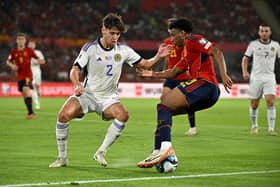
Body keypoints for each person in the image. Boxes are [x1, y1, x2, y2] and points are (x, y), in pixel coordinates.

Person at [49, 13, 172, 168]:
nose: (115, 37)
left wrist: (158, 56)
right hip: (87, 94)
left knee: (123, 115)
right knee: (63, 115)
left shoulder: (124, 51)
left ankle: (101, 151)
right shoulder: (90, 48)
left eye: (118, 34)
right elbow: (74, 69)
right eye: (112, 33)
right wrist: (76, 83)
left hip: (108, 98)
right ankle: (62, 158)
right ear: (103, 30)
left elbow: (145, 65)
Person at [136, 18, 232, 168]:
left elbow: (217, 51)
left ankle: (166, 149)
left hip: (206, 85)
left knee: (164, 105)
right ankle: (157, 152)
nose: (172, 40)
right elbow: (174, 72)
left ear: (183, 33)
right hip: (206, 94)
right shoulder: (187, 53)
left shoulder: (194, 39)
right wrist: (152, 74)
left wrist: (224, 75)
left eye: (174, 35)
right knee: (163, 111)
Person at [241, 24, 280, 136]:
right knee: (254, 104)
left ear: (270, 32)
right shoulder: (253, 45)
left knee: (270, 101)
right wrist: (245, 71)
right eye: (262, 31)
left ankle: (271, 129)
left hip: (269, 77)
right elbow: (245, 58)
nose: (264, 33)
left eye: (266, 31)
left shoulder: (276, 45)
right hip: (256, 77)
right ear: (259, 33)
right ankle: (254, 126)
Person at [162, 18, 197, 136]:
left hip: (183, 76)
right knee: (164, 99)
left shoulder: (183, 41)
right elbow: (167, 58)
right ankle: (165, 126)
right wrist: (164, 71)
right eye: (168, 26)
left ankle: (193, 127)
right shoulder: (167, 42)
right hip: (171, 76)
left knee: (188, 104)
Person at [6, 33, 43, 119]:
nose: (20, 41)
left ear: (25, 41)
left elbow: (41, 60)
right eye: (19, 39)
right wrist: (13, 66)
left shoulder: (29, 51)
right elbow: (8, 61)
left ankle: (32, 113)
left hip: (28, 75)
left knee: (25, 89)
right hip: (20, 76)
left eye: (22, 39)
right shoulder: (14, 52)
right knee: (23, 94)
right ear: (16, 41)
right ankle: (30, 112)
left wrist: (38, 62)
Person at [28, 40, 46, 109]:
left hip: (37, 71)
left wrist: (37, 62)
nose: (31, 45)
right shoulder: (26, 53)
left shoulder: (38, 52)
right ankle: (36, 103)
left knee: (38, 87)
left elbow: (43, 61)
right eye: (30, 44)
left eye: (32, 44)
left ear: (35, 45)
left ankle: (38, 100)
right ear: (28, 45)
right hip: (30, 71)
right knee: (32, 86)